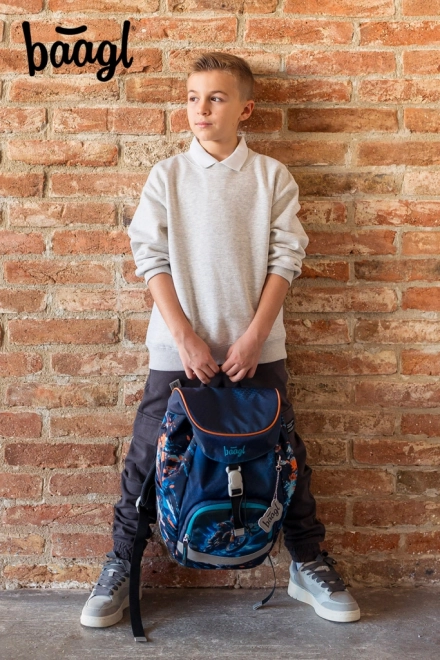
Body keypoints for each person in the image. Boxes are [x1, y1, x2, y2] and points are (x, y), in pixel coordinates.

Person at [80, 51, 360, 629]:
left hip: (256, 351)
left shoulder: (271, 177)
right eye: (192, 98)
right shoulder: (167, 177)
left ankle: (307, 562)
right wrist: (184, 337)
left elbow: (286, 258)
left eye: (215, 98)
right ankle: (121, 564)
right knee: (147, 458)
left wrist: (254, 336)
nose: (201, 109)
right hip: (176, 353)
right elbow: (149, 258)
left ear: (245, 109)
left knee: (285, 456)